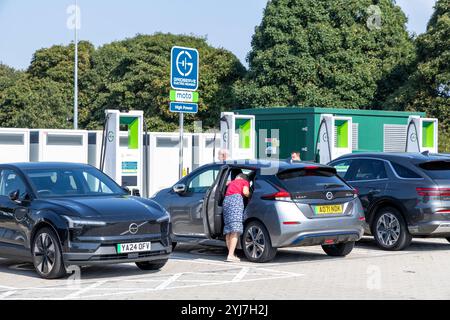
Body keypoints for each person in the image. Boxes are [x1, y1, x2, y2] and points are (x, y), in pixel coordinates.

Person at [222, 173, 251, 262]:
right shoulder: (244, 182)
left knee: (228, 230)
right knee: (235, 230)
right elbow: (245, 192)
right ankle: (230, 255)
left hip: (226, 201)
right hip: (236, 201)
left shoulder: (231, 183)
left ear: (237, 177)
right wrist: (250, 196)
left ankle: (231, 254)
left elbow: (226, 184)